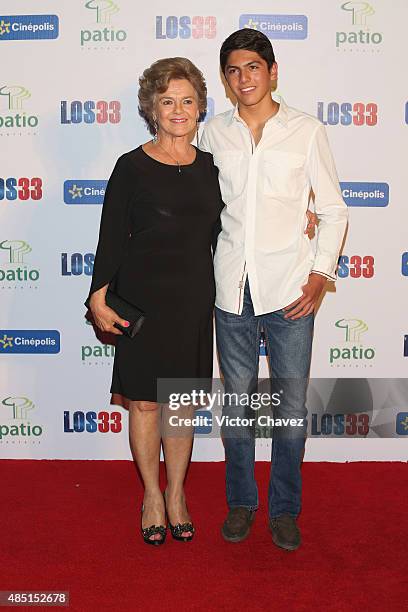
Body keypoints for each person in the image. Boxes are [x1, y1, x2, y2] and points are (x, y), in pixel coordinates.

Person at [200, 29, 348, 550]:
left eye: (253, 67)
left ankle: (285, 509)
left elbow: (332, 210)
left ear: (273, 70)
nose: (244, 79)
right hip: (230, 288)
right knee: (236, 407)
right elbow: (197, 205)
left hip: (290, 289)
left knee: (289, 407)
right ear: (225, 78)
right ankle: (241, 503)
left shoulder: (305, 130)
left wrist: (319, 274)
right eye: (234, 70)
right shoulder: (211, 134)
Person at [86, 57, 223, 545]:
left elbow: (238, 228)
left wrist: (303, 220)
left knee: (179, 406)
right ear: (152, 108)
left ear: (201, 106)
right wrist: (98, 297)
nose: (178, 110)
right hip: (141, 302)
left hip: (191, 302)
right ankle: (150, 494)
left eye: (187, 100)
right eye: (168, 101)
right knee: (145, 404)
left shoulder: (211, 167)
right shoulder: (132, 166)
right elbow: (109, 239)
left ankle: (178, 493)